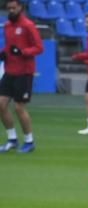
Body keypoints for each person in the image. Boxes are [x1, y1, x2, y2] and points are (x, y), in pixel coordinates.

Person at [0, 0, 42, 153]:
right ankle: (12, 139)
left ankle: (29, 141)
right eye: (9, 8)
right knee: (1, 104)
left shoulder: (28, 25)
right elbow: (9, 45)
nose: (11, 10)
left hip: (24, 72)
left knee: (19, 107)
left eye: (14, 7)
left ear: (20, 8)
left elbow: (39, 47)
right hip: (9, 71)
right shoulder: (7, 26)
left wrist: (23, 52)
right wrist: (4, 53)